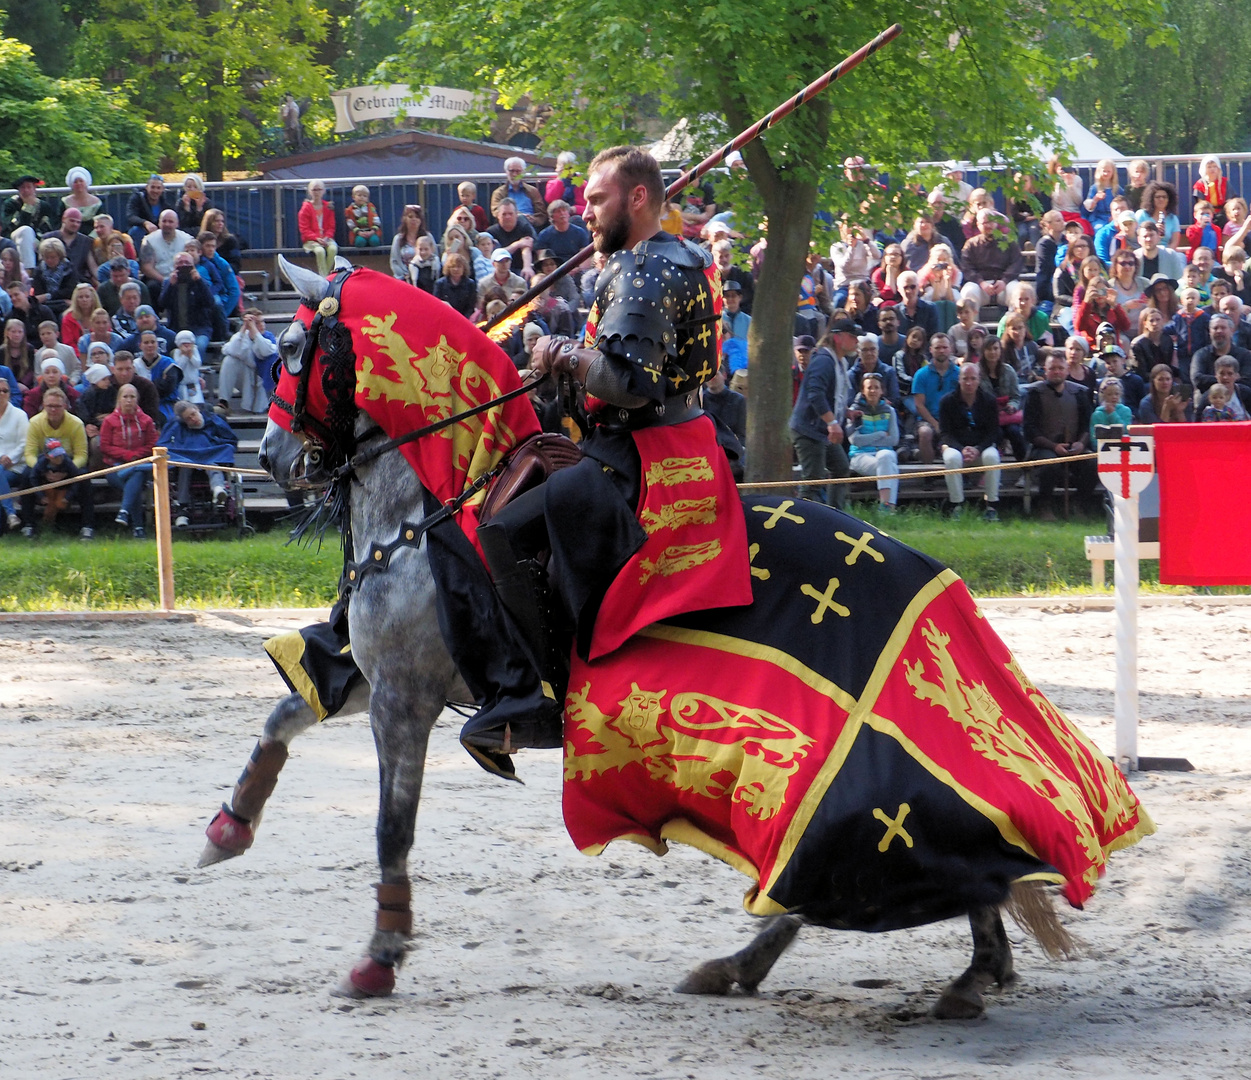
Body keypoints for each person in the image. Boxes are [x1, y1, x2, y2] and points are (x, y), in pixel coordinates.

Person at [789, 317, 854, 507]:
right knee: (813, 482)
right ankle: (802, 524)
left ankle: (836, 517)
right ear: (839, 338)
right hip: (808, 430)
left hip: (820, 429)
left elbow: (830, 394)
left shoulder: (837, 361)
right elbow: (815, 394)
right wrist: (832, 423)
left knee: (841, 468)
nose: (857, 341)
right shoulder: (824, 360)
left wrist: (845, 411)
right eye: (853, 337)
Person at [1023, 352, 1094, 521]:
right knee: (1049, 465)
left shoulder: (1079, 393)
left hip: (1074, 447)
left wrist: (1081, 444)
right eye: (1052, 368)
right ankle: (1044, 506)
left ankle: (1080, 504)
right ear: (1045, 370)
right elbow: (1029, 429)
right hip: (1045, 448)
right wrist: (1054, 447)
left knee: (1092, 463)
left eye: (1060, 368)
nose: (1056, 372)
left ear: (1067, 370)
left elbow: (1087, 424)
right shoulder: (1035, 394)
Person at [19, 385, 93, 538]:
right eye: (49, 406)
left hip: (68, 466)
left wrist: (66, 471)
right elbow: (30, 454)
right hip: (43, 465)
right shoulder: (34, 423)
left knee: (84, 477)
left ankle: (87, 526)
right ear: (43, 406)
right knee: (26, 475)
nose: (53, 410)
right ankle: (28, 525)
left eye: (57, 406)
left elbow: (82, 455)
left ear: (65, 406)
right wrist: (44, 471)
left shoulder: (76, 423)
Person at [939, 361, 1002, 519]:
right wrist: (961, 449)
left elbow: (994, 432)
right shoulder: (947, 402)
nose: (969, 383)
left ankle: (992, 507)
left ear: (979, 380)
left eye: (973, 378)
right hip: (957, 447)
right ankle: (957, 506)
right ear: (959, 379)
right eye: (965, 378)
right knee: (951, 458)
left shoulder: (989, 401)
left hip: (981, 447)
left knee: (992, 456)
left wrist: (978, 449)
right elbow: (945, 433)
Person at [159, 399, 237, 523]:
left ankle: (218, 489)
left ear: (197, 409)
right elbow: (162, 447)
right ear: (183, 421)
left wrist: (217, 444)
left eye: (193, 414)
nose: (193, 419)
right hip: (187, 460)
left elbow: (231, 441)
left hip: (210, 455)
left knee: (213, 466)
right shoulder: (175, 426)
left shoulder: (214, 420)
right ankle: (182, 508)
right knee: (184, 466)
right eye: (188, 418)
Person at [100, 382, 157, 536]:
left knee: (137, 474)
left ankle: (125, 512)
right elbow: (105, 446)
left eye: (132, 397)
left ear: (137, 399)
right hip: (115, 467)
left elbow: (152, 444)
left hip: (140, 465)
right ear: (119, 399)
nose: (129, 400)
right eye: (125, 396)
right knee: (134, 486)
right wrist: (127, 455)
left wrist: (137, 455)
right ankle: (138, 527)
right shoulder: (109, 421)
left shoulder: (146, 420)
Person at [846, 370, 900, 509]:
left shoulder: (889, 411)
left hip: (885, 454)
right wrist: (881, 434)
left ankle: (885, 506)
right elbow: (855, 441)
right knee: (890, 468)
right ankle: (888, 507)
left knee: (886, 457)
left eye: (876, 387)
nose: (873, 391)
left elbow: (894, 440)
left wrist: (867, 439)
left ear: (882, 390)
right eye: (869, 387)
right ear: (863, 391)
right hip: (861, 456)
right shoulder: (855, 410)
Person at [216, 308, 275, 416]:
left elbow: (266, 351)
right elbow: (229, 350)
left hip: (263, 381)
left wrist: (255, 333)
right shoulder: (243, 336)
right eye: (256, 323)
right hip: (246, 378)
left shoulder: (268, 337)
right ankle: (223, 402)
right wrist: (243, 328)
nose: (261, 325)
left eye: (262, 321)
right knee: (229, 360)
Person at [960, 209, 1023, 309]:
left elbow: (1016, 263)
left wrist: (1004, 281)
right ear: (978, 224)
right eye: (985, 223)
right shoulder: (971, 244)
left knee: (1017, 291)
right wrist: (981, 282)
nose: (989, 225)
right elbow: (966, 267)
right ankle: (973, 324)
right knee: (968, 292)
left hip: (1004, 285)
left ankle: (1013, 322)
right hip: (981, 286)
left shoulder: (1009, 241)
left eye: (991, 221)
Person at [911, 332, 958, 465]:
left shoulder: (959, 374)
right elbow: (919, 405)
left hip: (952, 419)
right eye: (937, 348)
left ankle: (962, 473)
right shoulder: (921, 374)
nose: (941, 350)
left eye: (944, 347)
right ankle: (928, 473)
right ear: (931, 350)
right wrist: (935, 424)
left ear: (951, 349)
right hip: (927, 419)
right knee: (925, 432)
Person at [978, 335, 1025, 461]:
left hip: (1006, 416)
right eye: (989, 349)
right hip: (985, 417)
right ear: (983, 351)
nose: (992, 352)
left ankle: (1025, 468)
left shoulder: (1008, 371)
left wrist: (1012, 405)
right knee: (996, 434)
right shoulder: (977, 372)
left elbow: (1016, 396)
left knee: (1015, 432)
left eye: (995, 348)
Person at [4, 175, 59, 270]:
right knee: (26, 230)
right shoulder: (10, 204)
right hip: (14, 238)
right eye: (22, 188)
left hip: (37, 241)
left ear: (34, 189)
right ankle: (29, 270)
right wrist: (27, 207)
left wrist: (36, 240)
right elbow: (10, 226)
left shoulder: (43, 206)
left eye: (29, 187)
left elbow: (48, 227)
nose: (26, 191)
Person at [1189, 313, 1251, 398]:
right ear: (1210, 332)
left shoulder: (1245, 355)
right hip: (1208, 399)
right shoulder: (1200, 354)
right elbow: (1197, 379)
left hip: (1239, 398)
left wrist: (1214, 379)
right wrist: (1230, 379)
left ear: (1231, 331)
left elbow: (1248, 380)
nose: (1219, 331)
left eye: (1223, 328)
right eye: (1215, 328)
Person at [139, 210, 192, 307]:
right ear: (159, 223)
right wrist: (165, 281)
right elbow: (146, 267)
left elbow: (193, 262)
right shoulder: (149, 240)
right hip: (159, 280)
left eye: (171, 221)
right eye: (164, 221)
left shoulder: (187, 240)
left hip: (182, 279)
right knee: (151, 286)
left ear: (177, 223)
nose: (167, 224)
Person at [0, 376, 28, 530]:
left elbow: (24, 443)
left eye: (5, 391)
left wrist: (9, 457)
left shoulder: (19, 415)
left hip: (15, 466)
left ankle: (10, 514)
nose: (1, 394)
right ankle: (10, 514)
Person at [848, 333, 901, 412]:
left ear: (878, 351)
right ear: (858, 352)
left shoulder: (888, 372)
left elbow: (895, 400)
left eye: (872, 349)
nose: (869, 353)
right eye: (865, 350)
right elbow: (850, 401)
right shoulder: (851, 375)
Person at [491, 157, 548, 229]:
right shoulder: (498, 193)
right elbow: (496, 211)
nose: (514, 174)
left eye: (518, 171)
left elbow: (542, 214)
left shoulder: (533, 191)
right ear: (506, 172)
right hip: (507, 226)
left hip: (530, 225)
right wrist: (518, 216)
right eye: (512, 171)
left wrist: (533, 220)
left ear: (523, 172)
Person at [487, 199, 537, 280]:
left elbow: (526, 248)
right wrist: (517, 244)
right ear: (498, 215)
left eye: (510, 214)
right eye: (504, 214)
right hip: (498, 269)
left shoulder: (524, 228)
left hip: (519, 268)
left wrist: (527, 267)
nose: (507, 217)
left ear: (516, 214)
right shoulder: (491, 232)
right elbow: (495, 255)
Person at [298, 180, 338, 276]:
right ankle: (324, 277)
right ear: (309, 191)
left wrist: (327, 237)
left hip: (326, 238)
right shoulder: (305, 208)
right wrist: (316, 238)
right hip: (311, 240)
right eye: (314, 190)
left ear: (324, 191)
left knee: (333, 249)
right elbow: (304, 229)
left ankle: (324, 276)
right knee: (320, 251)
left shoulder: (328, 207)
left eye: (319, 189)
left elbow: (331, 227)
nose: (316, 192)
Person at [31, 237, 79, 318]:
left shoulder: (69, 269)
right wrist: (51, 296)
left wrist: (48, 296)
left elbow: (69, 291)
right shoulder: (39, 271)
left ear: (60, 256)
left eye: (53, 257)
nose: (49, 260)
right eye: (46, 257)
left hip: (66, 305)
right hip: (46, 306)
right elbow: (39, 294)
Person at [47, 207, 97, 281]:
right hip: (54, 281)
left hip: (79, 283)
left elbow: (93, 267)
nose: (75, 224)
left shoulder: (86, 241)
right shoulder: (48, 238)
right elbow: (43, 264)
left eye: (78, 222)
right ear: (63, 219)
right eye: (72, 221)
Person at [535, 199, 591, 265]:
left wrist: (577, 269)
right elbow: (543, 261)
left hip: (576, 268)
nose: (562, 213)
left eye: (564, 210)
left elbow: (585, 258)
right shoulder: (544, 235)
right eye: (558, 211)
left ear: (568, 214)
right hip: (554, 269)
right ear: (552, 217)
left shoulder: (580, 232)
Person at [126, 175, 173, 253]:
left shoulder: (166, 201)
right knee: (135, 231)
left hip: (160, 231)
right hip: (141, 230)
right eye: (153, 187)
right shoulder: (137, 198)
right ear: (147, 187)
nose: (155, 191)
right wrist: (145, 223)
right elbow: (130, 216)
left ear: (162, 189)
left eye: (158, 188)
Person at [1135, 181, 1183, 249]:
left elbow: (1174, 242)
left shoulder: (1173, 218)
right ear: (1151, 199)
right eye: (1157, 197)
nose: (1161, 199)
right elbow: (1135, 237)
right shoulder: (1141, 214)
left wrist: (1165, 254)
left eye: (1164, 197)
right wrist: (1153, 230)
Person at [390, 205, 432, 280]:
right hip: (404, 278)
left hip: (425, 277)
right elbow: (394, 261)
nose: (414, 219)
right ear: (405, 219)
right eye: (410, 217)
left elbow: (434, 256)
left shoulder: (428, 236)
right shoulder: (398, 239)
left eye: (417, 217)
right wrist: (404, 275)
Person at [432, 252, 476, 320]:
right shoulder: (440, 284)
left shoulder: (470, 284)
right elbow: (436, 305)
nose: (456, 269)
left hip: (465, 319)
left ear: (464, 268)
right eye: (453, 266)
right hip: (446, 318)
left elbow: (470, 307)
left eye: (459, 266)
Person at [200, 208, 245, 274]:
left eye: (222, 221)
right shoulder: (200, 240)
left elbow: (236, 264)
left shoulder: (230, 241)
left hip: (227, 274)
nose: (220, 224)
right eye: (216, 221)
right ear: (209, 222)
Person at [544, 151, 587, 218]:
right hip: (559, 218)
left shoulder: (582, 183)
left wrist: (575, 209)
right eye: (565, 168)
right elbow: (550, 201)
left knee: (576, 219)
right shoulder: (552, 183)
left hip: (579, 217)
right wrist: (560, 178)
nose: (568, 171)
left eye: (570, 168)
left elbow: (590, 207)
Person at [61, 282, 101, 353]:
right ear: (76, 300)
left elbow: (106, 336)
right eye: (80, 297)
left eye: (87, 296)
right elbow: (69, 343)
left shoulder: (101, 315)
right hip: (76, 356)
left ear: (93, 299)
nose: (84, 300)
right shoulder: (68, 318)